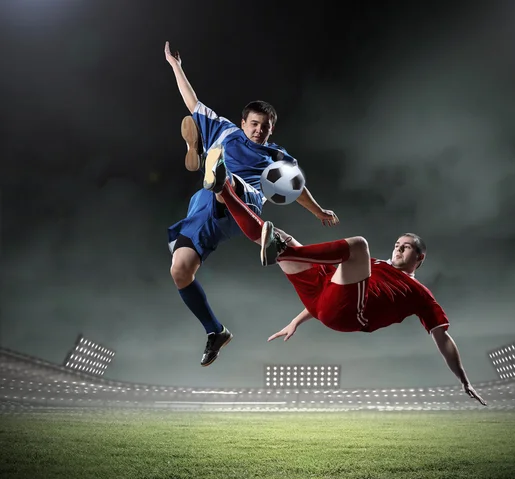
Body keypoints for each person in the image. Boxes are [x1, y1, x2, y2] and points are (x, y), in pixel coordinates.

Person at [202, 151, 487, 405]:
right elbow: (333, 289)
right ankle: (224, 189)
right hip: (321, 298)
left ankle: (283, 252)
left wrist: (463, 379)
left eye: (407, 246)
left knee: (358, 245)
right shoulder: (375, 265)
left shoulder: (420, 293)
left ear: (419, 258)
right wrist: (296, 321)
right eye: (398, 243)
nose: (398, 248)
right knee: (281, 238)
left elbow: (443, 338)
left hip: (351, 313)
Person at [164, 41, 339, 367]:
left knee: (225, 186)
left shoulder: (276, 156)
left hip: (242, 204)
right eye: (254, 124)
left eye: (265, 127)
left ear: (272, 131)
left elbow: (296, 189)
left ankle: (217, 175)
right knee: (180, 271)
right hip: (203, 208)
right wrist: (176, 66)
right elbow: (192, 101)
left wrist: (319, 212)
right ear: (243, 123)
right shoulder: (225, 129)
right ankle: (216, 332)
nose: (259, 130)